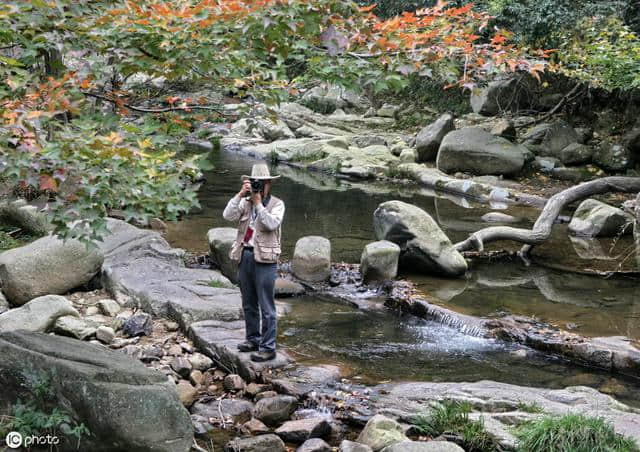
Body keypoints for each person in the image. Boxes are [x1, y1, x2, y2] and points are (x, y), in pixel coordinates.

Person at [222, 163, 285, 362]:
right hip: (246, 254)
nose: (258, 187)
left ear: (269, 184)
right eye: (255, 183)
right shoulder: (245, 201)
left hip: (265, 259)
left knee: (266, 306)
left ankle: (268, 347)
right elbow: (227, 215)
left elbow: (271, 224)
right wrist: (240, 194)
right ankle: (253, 339)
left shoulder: (277, 204)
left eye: (262, 183)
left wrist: (259, 204)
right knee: (248, 302)